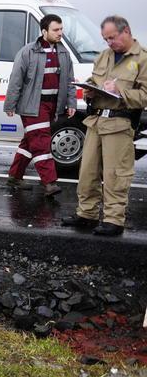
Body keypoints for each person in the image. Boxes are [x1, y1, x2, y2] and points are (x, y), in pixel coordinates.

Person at [62, 15, 146, 236]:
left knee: (115, 175)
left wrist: (121, 92)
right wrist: (89, 89)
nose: (109, 43)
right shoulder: (104, 56)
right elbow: (95, 81)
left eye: (112, 38)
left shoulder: (142, 59)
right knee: (87, 171)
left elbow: (145, 95)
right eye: (106, 39)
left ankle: (113, 220)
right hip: (96, 121)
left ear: (126, 31)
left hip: (119, 123)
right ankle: (86, 214)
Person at [3, 14, 76, 196]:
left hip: (52, 106)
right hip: (33, 106)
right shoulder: (28, 52)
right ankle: (49, 182)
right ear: (44, 31)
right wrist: (10, 105)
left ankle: (15, 176)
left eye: (61, 29)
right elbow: (16, 80)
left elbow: (69, 81)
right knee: (41, 142)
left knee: (30, 142)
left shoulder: (64, 53)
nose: (60, 33)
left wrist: (71, 102)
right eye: (56, 30)